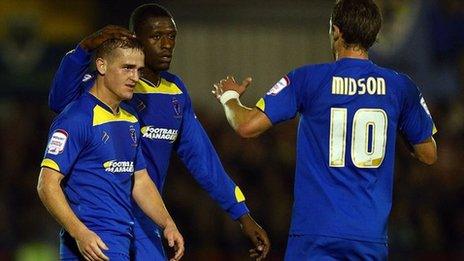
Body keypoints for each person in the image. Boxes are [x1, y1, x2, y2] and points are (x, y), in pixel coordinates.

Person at [212, 0, 437, 259]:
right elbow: (428, 154)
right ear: (374, 36)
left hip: (315, 234)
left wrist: (229, 97)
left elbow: (246, 126)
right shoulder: (400, 87)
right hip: (369, 236)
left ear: (336, 31)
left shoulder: (307, 79)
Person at [48, 3, 270, 261]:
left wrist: (242, 215)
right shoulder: (112, 87)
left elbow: (203, 159)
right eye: (156, 36)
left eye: (171, 36)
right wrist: (84, 49)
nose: (166, 44)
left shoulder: (175, 93)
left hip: (147, 218)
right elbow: (59, 102)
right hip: (99, 219)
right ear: (135, 40)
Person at [37, 37, 184, 261]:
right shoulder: (76, 119)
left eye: (138, 69)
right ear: (101, 65)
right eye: (127, 68)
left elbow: (141, 181)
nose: (135, 77)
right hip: (95, 244)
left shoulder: (131, 119)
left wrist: (167, 223)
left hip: (120, 242)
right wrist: (80, 233)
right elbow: (47, 184)